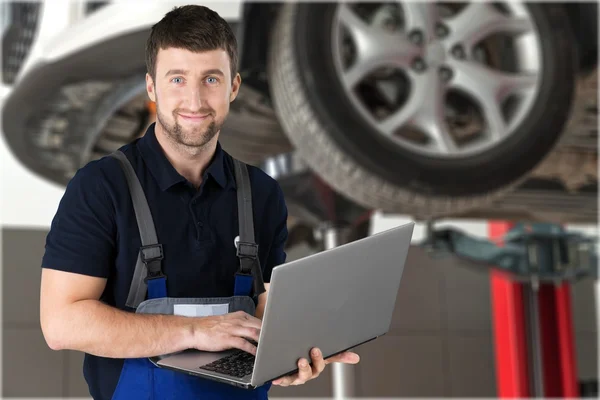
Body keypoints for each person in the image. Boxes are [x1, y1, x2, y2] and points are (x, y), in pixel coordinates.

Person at [39, 4, 359, 400]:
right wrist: (193, 332)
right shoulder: (100, 187)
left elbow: (265, 310)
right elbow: (61, 323)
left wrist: (287, 358)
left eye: (211, 78)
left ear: (234, 87)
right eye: (177, 78)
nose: (194, 99)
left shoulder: (262, 194)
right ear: (152, 88)